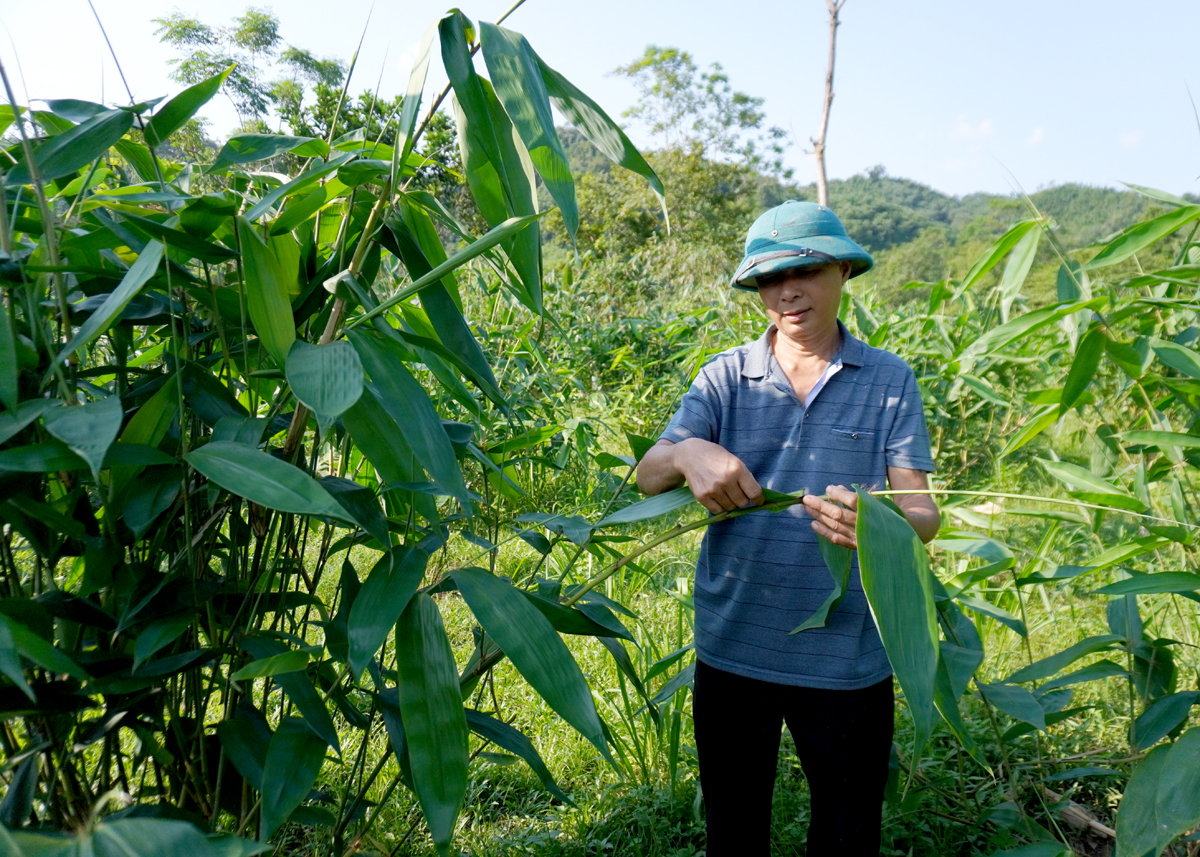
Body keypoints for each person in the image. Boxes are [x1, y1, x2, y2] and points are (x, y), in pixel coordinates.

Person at [635, 200, 940, 856]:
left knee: (847, 832)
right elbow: (648, 472)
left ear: (844, 272)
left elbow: (924, 514)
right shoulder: (724, 377)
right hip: (734, 647)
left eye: (807, 269)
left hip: (848, 656)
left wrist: (881, 522)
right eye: (770, 279)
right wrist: (690, 453)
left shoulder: (890, 381)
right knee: (734, 829)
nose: (788, 290)